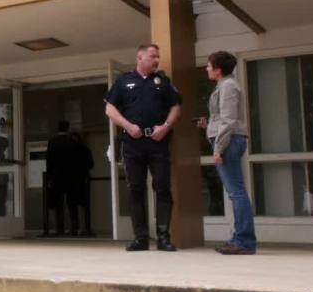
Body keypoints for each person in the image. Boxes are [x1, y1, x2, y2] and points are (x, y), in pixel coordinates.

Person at [105, 44, 181, 252]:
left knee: (163, 187)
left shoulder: (163, 81)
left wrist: (165, 127)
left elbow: (176, 107)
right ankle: (140, 238)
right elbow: (110, 108)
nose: (157, 60)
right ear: (140, 57)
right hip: (133, 144)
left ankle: (164, 237)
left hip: (158, 142)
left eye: (158, 56)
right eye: (152, 56)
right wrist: (128, 126)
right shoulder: (124, 81)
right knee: (135, 189)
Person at [198, 51, 256, 255]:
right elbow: (222, 118)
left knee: (236, 192)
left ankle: (244, 241)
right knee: (235, 192)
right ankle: (239, 239)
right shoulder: (224, 86)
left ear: (218, 69)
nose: (206, 68)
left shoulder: (228, 86)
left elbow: (229, 120)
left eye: (209, 65)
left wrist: (218, 148)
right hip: (228, 140)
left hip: (229, 142)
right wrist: (208, 126)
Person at [45, 120, 79, 236]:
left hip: (57, 176)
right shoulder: (72, 142)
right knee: (71, 203)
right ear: (68, 128)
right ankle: (74, 227)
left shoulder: (52, 142)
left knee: (58, 203)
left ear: (58, 128)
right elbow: (75, 162)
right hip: (70, 177)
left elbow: (49, 160)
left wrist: (49, 177)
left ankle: (60, 228)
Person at [70, 132, 94, 237]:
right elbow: (91, 164)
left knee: (73, 206)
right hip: (83, 179)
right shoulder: (85, 150)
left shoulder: (69, 151)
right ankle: (87, 228)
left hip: (72, 180)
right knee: (85, 205)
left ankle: (74, 228)